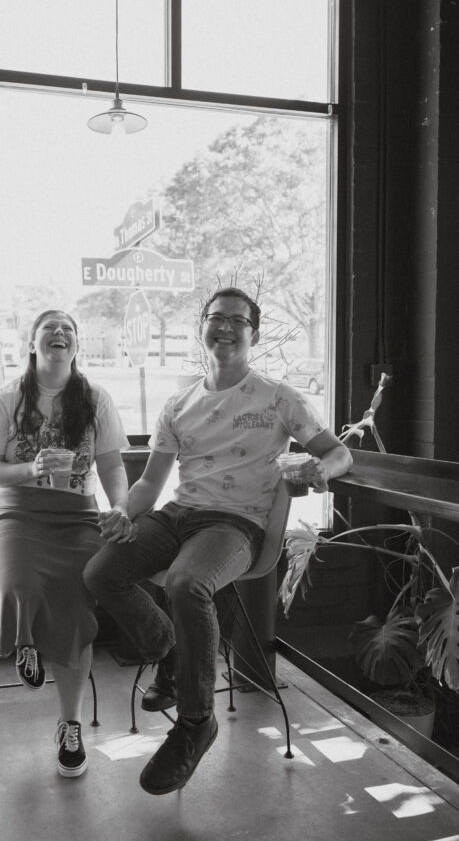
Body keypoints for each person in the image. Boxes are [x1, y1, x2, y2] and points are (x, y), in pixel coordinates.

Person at [84, 286, 353, 796]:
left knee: (187, 584)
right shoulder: (179, 402)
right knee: (102, 572)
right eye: (216, 318)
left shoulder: (278, 396)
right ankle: (169, 652)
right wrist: (123, 512)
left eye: (238, 320)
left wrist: (322, 469)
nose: (225, 327)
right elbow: (148, 483)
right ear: (201, 326)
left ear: (253, 332)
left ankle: (195, 722)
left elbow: (338, 451)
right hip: (177, 514)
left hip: (237, 525)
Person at [0, 309, 131, 779]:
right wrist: (31, 469)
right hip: (15, 513)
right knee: (18, 578)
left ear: (76, 347)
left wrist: (120, 507)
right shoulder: (7, 399)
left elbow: (111, 466)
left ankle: (70, 724)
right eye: (49, 329)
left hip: (77, 516)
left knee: (75, 601)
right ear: (33, 344)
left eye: (67, 330)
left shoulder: (96, 399)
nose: (58, 334)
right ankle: (26, 642)